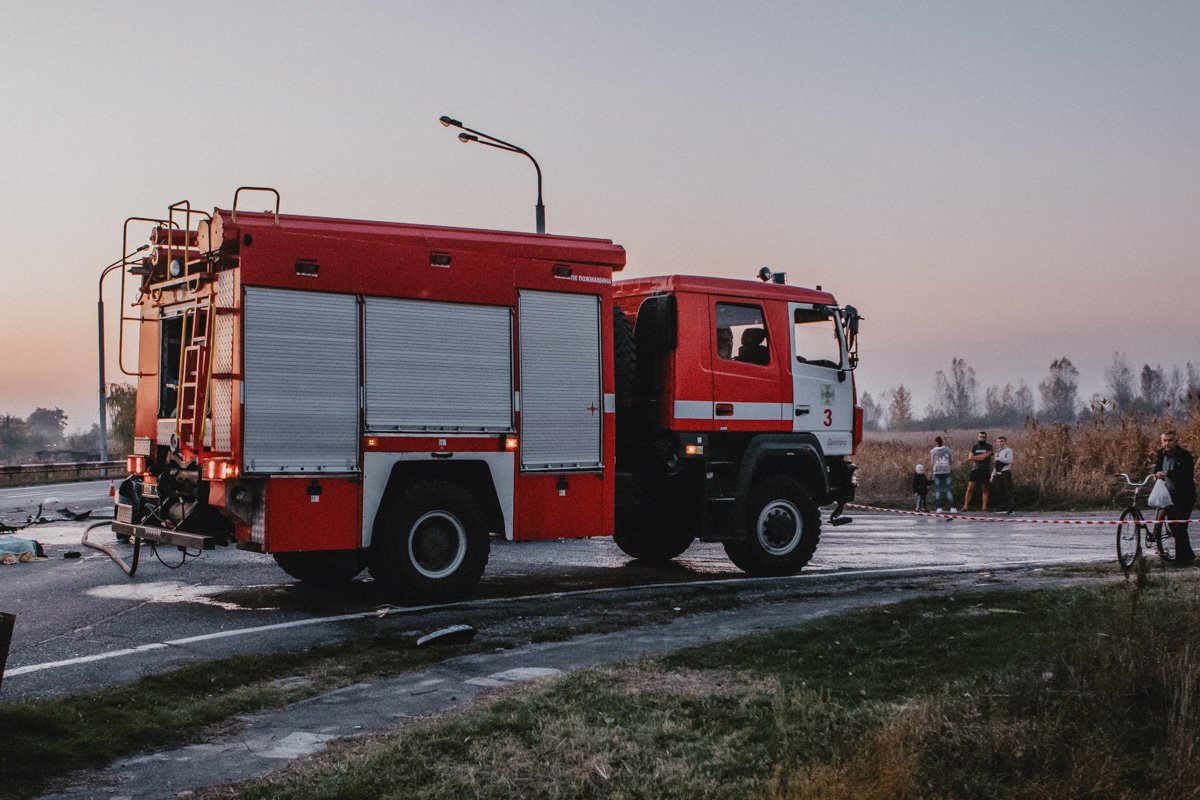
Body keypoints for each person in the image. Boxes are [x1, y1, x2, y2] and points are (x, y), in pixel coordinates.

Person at [1155, 430, 1196, 565]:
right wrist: (1156, 475)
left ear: (1176, 441)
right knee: (1173, 526)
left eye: (1170, 440)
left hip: (1184, 496)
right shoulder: (1160, 454)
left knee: (1180, 526)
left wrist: (1167, 473)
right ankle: (1187, 554)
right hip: (1169, 496)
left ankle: (1181, 559)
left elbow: (1186, 474)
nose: (1167, 443)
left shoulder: (1185, 456)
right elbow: (1157, 469)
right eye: (1165, 440)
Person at [961, 431, 994, 512]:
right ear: (978, 437)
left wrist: (975, 457)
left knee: (984, 489)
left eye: (983, 437)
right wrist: (980, 457)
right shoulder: (975, 447)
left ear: (985, 438)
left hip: (985, 470)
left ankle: (984, 508)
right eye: (980, 437)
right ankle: (965, 507)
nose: (982, 438)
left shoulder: (989, 446)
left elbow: (985, 456)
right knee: (969, 488)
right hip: (975, 470)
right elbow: (970, 458)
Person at [929, 436, 955, 513]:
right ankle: (952, 508)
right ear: (942, 442)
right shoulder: (947, 450)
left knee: (938, 490)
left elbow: (932, 462)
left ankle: (939, 508)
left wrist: (932, 471)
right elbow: (951, 460)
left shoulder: (933, 451)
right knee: (948, 489)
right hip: (946, 471)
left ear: (935, 443)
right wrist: (949, 467)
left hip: (937, 472)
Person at [991, 435, 1015, 514]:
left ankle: (1011, 507)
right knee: (999, 490)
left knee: (1008, 490)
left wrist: (999, 458)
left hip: (1005, 472)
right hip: (998, 473)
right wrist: (992, 475)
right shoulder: (997, 451)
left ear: (1005, 442)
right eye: (998, 442)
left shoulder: (1008, 450)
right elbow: (996, 464)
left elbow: (1010, 460)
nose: (1000, 443)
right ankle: (1003, 506)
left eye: (1001, 441)